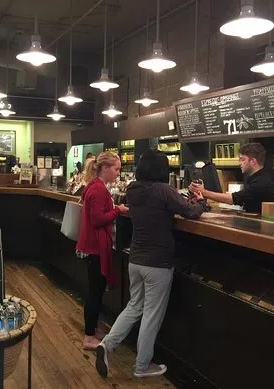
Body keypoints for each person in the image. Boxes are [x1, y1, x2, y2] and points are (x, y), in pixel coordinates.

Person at [96, 149, 205, 379]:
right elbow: (191, 213)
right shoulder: (164, 190)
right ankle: (142, 366)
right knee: (151, 314)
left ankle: (107, 344)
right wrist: (201, 201)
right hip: (158, 262)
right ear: (162, 169)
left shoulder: (133, 190)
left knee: (134, 306)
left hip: (135, 259)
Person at [76, 152, 128, 350]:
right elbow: (98, 219)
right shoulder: (98, 189)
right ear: (105, 168)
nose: (118, 172)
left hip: (92, 245)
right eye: (116, 169)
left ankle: (93, 328)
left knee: (95, 290)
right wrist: (118, 210)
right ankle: (89, 337)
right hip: (96, 247)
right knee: (95, 292)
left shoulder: (94, 186)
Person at [189, 142, 274, 214]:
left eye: (242, 159)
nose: (239, 163)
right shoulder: (255, 178)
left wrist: (203, 192)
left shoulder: (262, 182)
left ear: (253, 161)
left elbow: (233, 199)